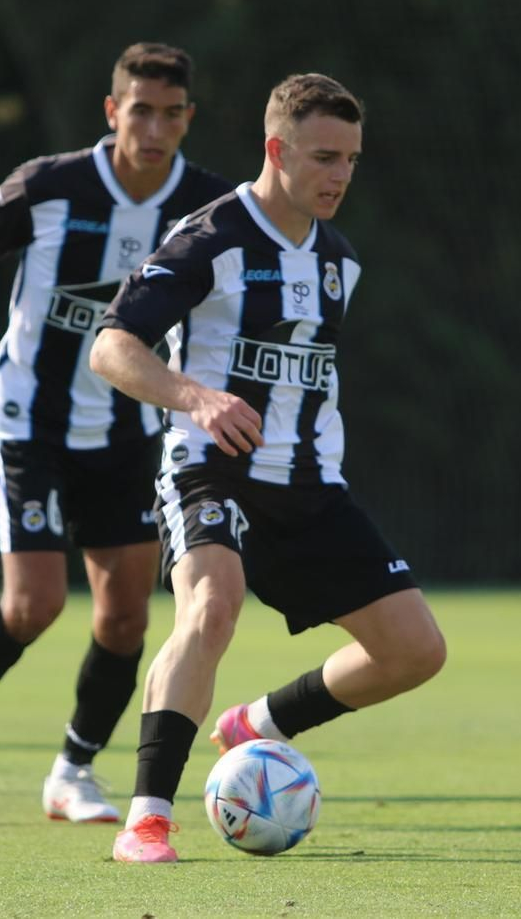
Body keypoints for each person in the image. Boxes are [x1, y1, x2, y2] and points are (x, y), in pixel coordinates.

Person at [88, 73, 448, 863]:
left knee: (417, 650)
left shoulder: (339, 261)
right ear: (276, 150)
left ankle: (259, 727)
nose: (340, 176)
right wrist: (196, 398)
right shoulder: (210, 237)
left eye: (352, 160)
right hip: (210, 470)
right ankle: (146, 818)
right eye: (324, 157)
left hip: (312, 489)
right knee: (212, 606)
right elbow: (111, 347)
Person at [0, 42, 233, 821]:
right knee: (35, 605)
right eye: (140, 110)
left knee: (125, 616)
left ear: (189, 120)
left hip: (130, 426)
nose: (154, 127)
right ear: (113, 111)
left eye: (171, 113)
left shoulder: (207, 207)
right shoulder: (52, 184)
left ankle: (73, 772)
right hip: (33, 418)